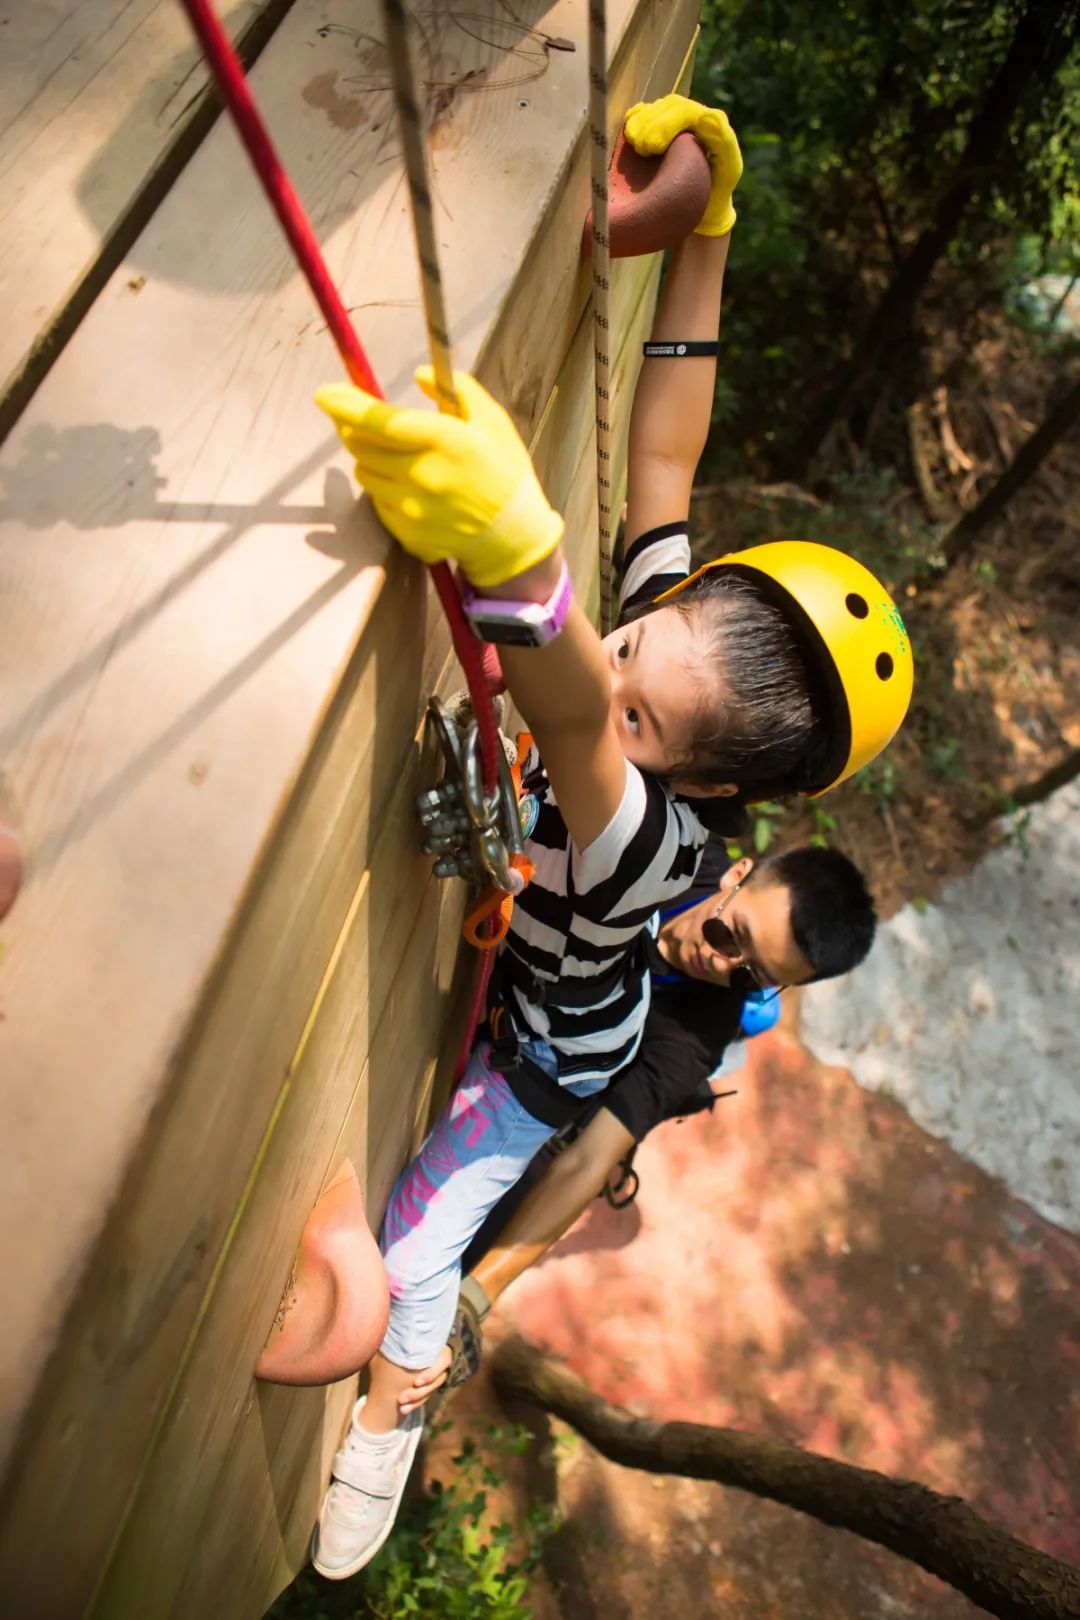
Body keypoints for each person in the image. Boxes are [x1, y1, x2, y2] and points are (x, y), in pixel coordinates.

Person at [310, 93, 911, 1580]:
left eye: (654, 711)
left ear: (709, 799)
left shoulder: (654, 847)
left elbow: (576, 712)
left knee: (415, 1243)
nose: (630, 666)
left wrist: (520, 559)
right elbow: (664, 449)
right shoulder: (665, 645)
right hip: (541, 961)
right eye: (646, 631)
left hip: (546, 1054)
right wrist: (709, 228)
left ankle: (390, 1417)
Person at [395, 839, 878, 1412]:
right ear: (737, 875)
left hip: (517, 1084)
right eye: (732, 934)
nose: (721, 962)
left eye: (753, 977)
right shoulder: (671, 850)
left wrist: (475, 1298)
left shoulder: (698, 1036)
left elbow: (591, 1157)